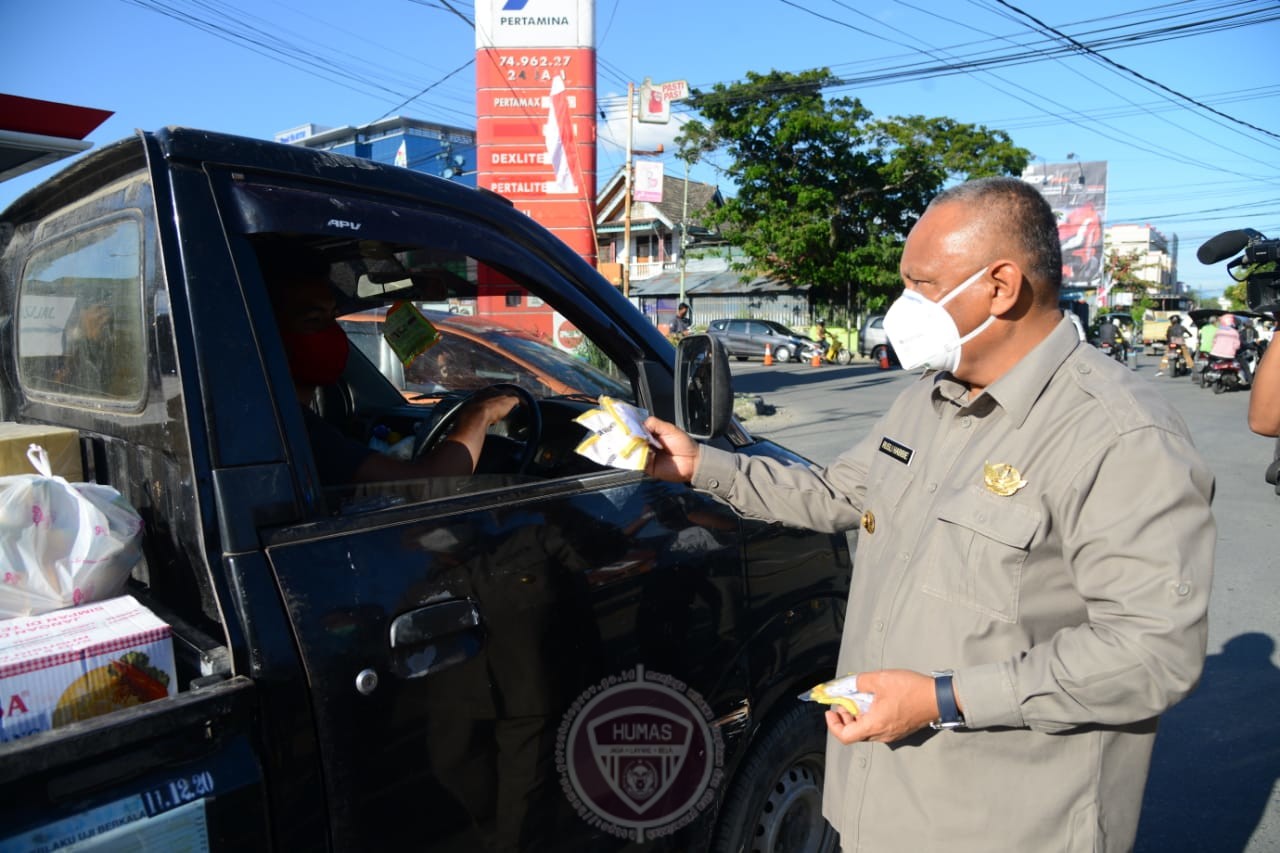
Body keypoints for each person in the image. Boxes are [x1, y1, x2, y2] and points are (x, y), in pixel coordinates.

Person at [642, 177, 1215, 852]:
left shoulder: (1120, 434)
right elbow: (837, 491)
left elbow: (1151, 652)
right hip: (878, 805)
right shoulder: (929, 396)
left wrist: (944, 698)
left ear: (1001, 286)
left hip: (1003, 825)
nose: (902, 307)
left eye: (921, 284)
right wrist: (700, 466)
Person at [263, 247, 519, 487]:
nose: (332, 333)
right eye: (313, 320)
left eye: (333, 317)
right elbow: (426, 487)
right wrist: (479, 415)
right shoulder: (294, 431)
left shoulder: (284, 418)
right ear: (267, 332)